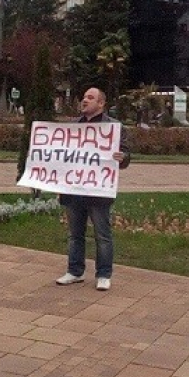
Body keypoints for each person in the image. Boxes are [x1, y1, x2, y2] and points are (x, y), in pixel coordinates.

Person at [56, 88, 130, 292]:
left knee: (102, 235)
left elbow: (126, 157)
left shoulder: (113, 128)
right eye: (84, 97)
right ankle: (75, 271)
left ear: (101, 104)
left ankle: (104, 274)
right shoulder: (72, 127)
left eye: (90, 98)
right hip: (74, 190)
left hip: (98, 191)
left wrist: (122, 158)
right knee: (74, 234)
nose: (84, 100)